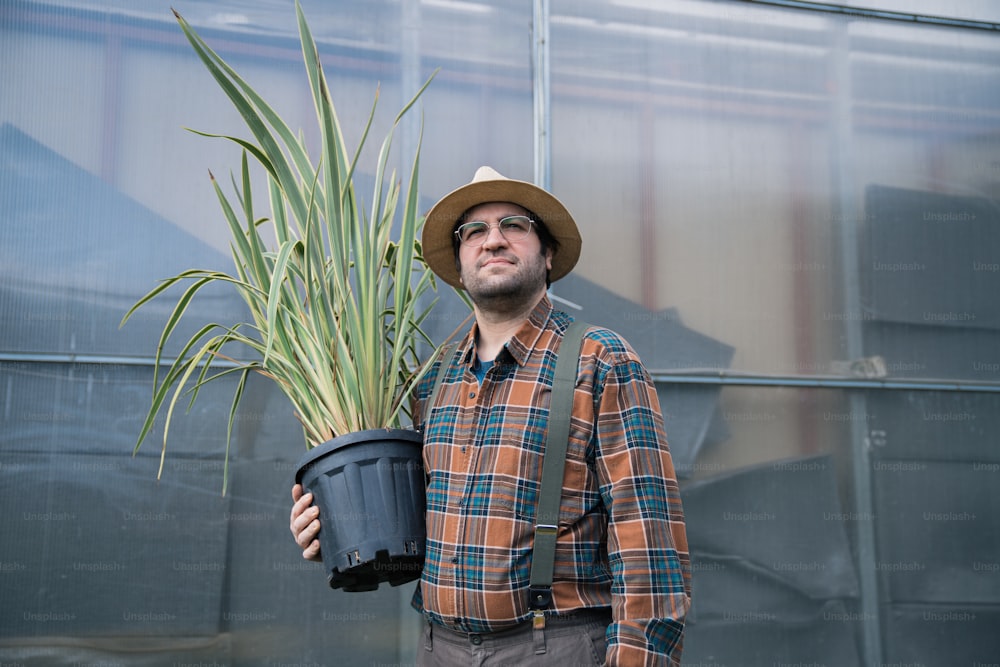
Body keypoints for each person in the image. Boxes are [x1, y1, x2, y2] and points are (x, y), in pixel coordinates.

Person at [290, 166, 691, 666]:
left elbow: (648, 539)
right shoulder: (434, 378)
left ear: (547, 255)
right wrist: (332, 522)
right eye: (474, 231)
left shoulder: (600, 360)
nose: (492, 241)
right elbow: (410, 524)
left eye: (514, 226)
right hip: (439, 649)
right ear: (459, 266)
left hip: (554, 647)